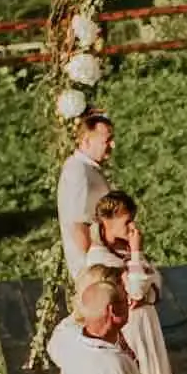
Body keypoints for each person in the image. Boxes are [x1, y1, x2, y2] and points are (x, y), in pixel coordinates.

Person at [87, 190, 187, 374]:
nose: (132, 227)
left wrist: (144, 285)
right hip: (131, 327)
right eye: (126, 221)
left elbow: (154, 279)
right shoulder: (100, 259)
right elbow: (137, 290)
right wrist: (137, 256)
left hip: (146, 321)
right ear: (107, 221)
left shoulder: (121, 248)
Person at [57, 110, 115, 283]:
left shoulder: (83, 168)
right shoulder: (79, 173)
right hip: (94, 274)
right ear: (86, 141)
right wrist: (94, 267)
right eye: (107, 141)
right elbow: (78, 225)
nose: (112, 145)